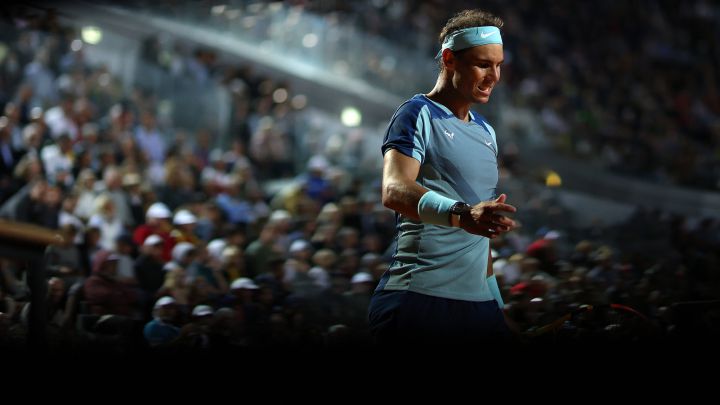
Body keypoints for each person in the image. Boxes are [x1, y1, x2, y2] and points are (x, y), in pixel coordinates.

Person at [368, 9, 518, 346]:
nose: (494, 76)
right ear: (449, 59)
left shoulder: (487, 133)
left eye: (498, 65)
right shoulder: (416, 113)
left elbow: (481, 236)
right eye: (483, 64)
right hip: (419, 299)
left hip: (480, 308)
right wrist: (465, 215)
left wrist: (498, 307)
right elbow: (394, 190)